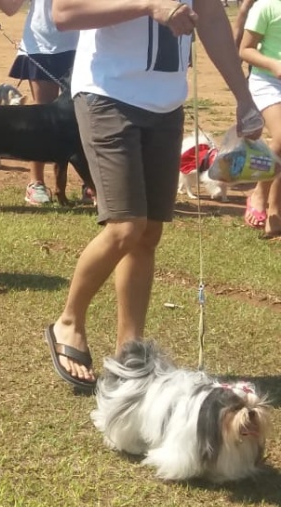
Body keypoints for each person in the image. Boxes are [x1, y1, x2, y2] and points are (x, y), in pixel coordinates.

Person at [45, 0, 264, 388]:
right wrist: (149, 6)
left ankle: (129, 355)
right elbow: (64, 13)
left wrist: (243, 96)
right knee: (126, 226)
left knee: (148, 235)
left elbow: (211, 16)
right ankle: (69, 321)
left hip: (166, 104)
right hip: (106, 94)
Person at [0, 0, 79, 206]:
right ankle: (36, 183)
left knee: (87, 119)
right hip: (42, 44)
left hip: (84, 45)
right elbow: (11, 7)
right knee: (41, 122)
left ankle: (90, 184)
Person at [237, 0, 281, 239]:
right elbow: (245, 49)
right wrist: (273, 64)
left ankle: (275, 210)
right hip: (268, 81)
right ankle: (259, 193)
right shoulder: (266, 6)